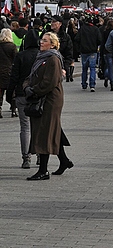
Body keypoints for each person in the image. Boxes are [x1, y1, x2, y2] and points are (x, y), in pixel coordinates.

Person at [23, 32, 73, 180]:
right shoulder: (41, 57)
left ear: (52, 44)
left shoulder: (53, 59)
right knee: (52, 129)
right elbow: (31, 76)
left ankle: (43, 170)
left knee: (44, 131)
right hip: (42, 97)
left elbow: (49, 82)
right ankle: (64, 161)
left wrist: (34, 91)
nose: (41, 42)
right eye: (41, 39)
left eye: (45, 40)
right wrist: (26, 86)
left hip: (50, 100)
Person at [6, 31, 39, 168]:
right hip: (37, 94)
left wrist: (9, 94)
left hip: (21, 94)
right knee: (37, 126)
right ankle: (39, 154)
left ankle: (26, 157)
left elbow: (14, 77)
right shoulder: (41, 55)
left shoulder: (20, 56)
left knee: (24, 127)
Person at [75, 15, 102, 91]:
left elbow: (77, 39)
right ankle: (92, 84)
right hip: (93, 51)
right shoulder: (95, 29)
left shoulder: (82, 29)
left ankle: (84, 83)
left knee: (84, 68)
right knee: (92, 68)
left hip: (84, 51)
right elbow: (100, 40)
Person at [50, 15, 74, 82]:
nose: (52, 23)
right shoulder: (47, 34)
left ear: (60, 24)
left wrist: (66, 65)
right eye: (51, 21)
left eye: (54, 21)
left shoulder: (65, 37)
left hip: (60, 64)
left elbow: (69, 51)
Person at [0, 28, 18, 118]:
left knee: (0, 92)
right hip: (10, 71)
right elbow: (16, 59)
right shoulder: (12, 46)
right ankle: (13, 110)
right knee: (12, 91)